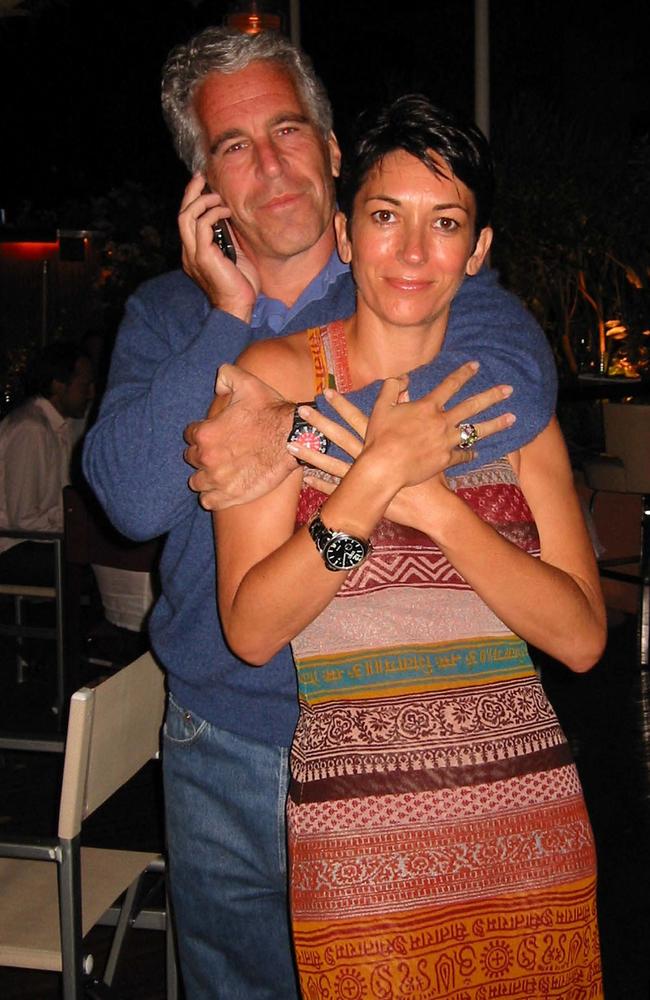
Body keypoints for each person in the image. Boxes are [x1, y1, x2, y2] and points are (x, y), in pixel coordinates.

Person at [82, 26, 558, 1000]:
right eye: (233, 146)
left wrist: (286, 423)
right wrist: (228, 322)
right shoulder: (170, 319)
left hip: (401, 735)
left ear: (334, 149)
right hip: (226, 734)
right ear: (201, 180)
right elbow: (130, 499)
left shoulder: (406, 271)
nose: (270, 165)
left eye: (288, 130)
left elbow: (515, 383)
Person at [213, 95, 606, 998]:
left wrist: (440, 513)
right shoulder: (279, 387)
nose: (415, 252)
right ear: (347, 236)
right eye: (387, 217)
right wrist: (371, 481)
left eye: (446, 224)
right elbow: (259, 626)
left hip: (528, 829)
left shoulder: (507, 401)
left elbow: (580, 638)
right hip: (363, 847)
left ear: (478, 250)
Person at [0, 340, 94, 586]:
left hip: (33, 541)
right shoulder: (31, 429)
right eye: (84, 385)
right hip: (11, 546)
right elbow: (23, 520)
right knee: (96, 563)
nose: (90, 393)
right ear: (58, 386)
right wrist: (78, 523)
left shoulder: (60, 426)